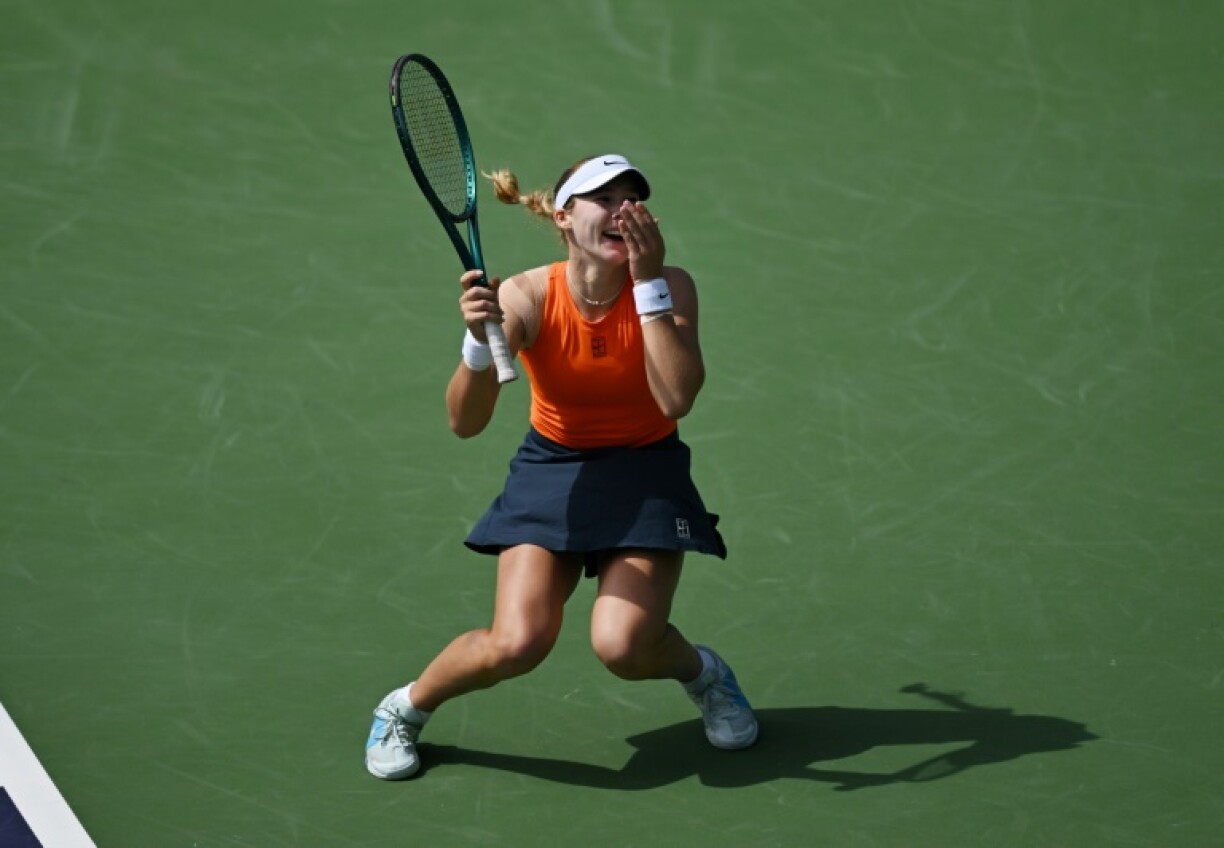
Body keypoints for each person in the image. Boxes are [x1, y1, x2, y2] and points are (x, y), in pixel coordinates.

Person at [365, 154, 758, 780]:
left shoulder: (670, 285)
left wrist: (648, 284)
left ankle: (704, 675)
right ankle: (404, 708)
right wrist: (475, 344)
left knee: (623, 645)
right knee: (516, 643)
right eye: (604, 198)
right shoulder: (526, 295)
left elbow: (676, 398)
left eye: (633, 199)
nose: (621, 210)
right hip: (555, 467)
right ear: (563, 215)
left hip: (645, 468)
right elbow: (464, 422)